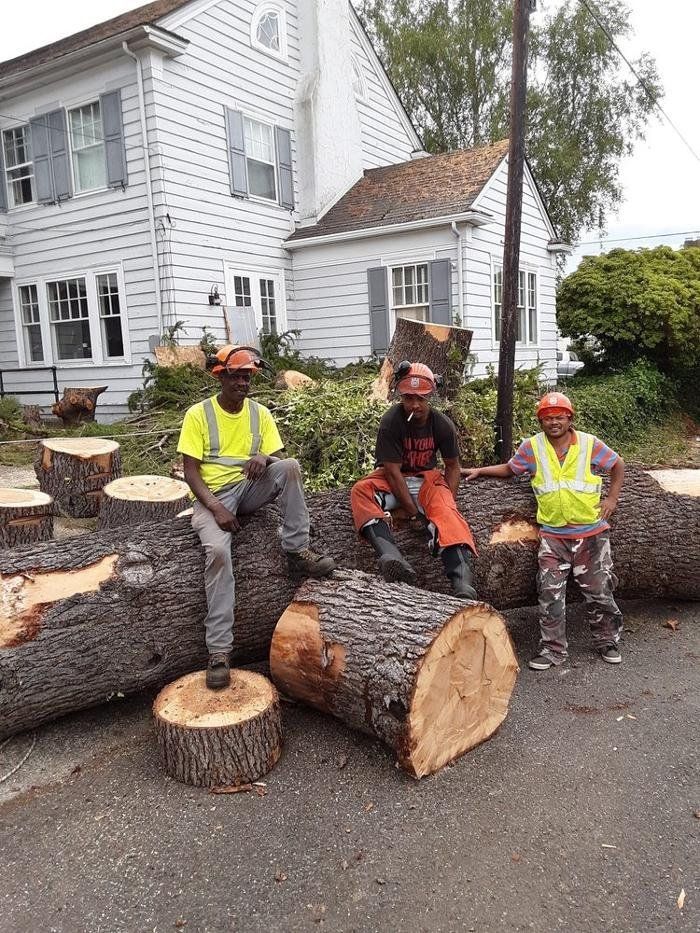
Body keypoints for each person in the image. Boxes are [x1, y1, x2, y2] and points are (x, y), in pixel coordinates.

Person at [177, 344, 335, 689]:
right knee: (218, 553)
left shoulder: (259, 413)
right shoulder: (198, 415)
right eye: (236, 376)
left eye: (247, 377)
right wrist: (216, 508)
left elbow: (280, 459)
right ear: (221, 376)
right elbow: (190, 472)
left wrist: (264, 457)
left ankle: (297, 551)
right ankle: (219, 651)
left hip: (249, 491)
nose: (243, 383)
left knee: (289, 467)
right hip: (212, 497)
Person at [463, 391, 625, 669]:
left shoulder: (589, 444)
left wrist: (611, 499)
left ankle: (607, 641)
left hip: (591, 535)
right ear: (541, 421)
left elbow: (617, 464)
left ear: (569, 418)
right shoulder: (532, 448)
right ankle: (553, 650)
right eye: (547, 418)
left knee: (599, 590)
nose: (553, 423)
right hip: (553, 537)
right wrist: (480, 470)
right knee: (549, 592)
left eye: (559, 417)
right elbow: (510, 469)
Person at [350, 361, 477, 599]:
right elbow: (391, 471)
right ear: (402, 396)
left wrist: (445, 499)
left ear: (430, 397)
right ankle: (391, 556)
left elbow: (452, 466)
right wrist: (412, 513)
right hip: (394, 479)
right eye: (409, 398)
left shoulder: (442, 425)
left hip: (427, 478)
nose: (415, 405)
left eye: (420, 399)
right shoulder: (391, 422)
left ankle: (462, 582)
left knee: (448, 514)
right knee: (361, 490)